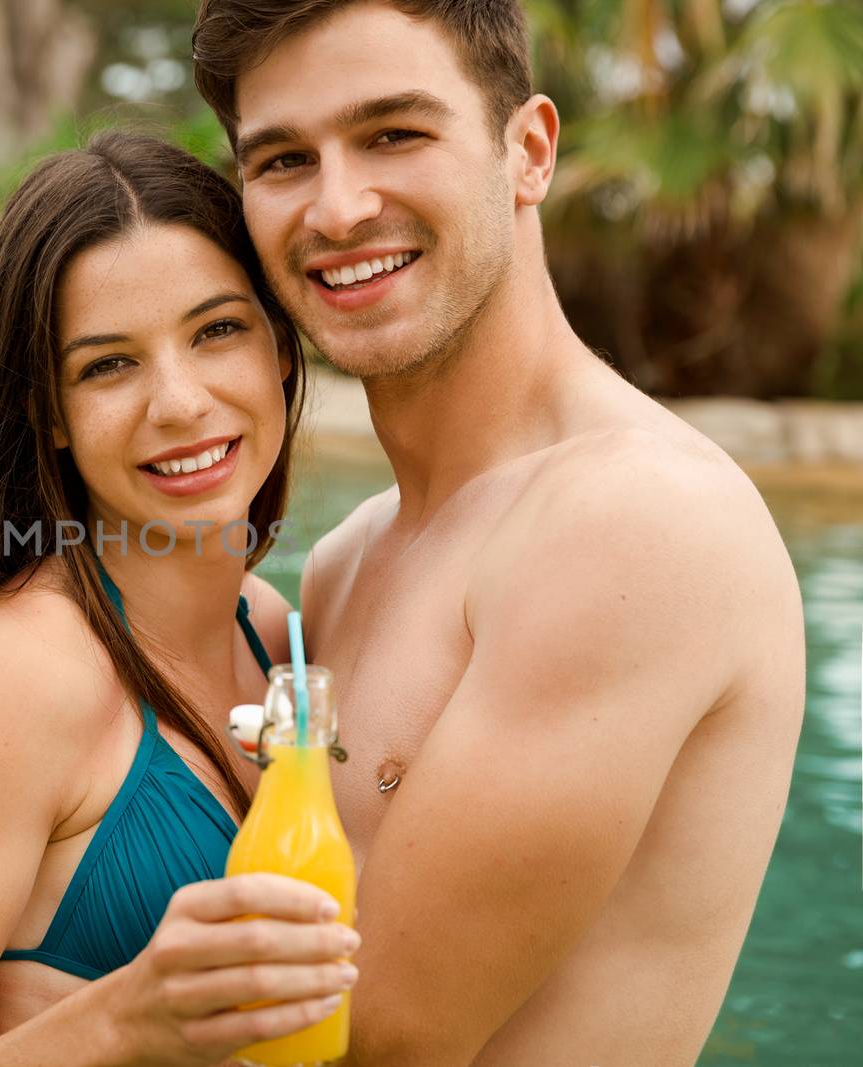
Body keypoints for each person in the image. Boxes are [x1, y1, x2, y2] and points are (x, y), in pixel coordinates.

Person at [189, 1, 807, 1064]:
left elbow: (380, 1035)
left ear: (526, 152)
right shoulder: (342, 563)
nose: (336, 208)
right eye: (284, 159)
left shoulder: (635, 518)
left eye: (393, 133)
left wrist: (36, 1008)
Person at [0, 132, 362, 1067]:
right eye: (109, 364)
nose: (181, 402)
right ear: (50, 413)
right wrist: (120, 1023)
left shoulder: (269, 631)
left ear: (279, 346)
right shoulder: (23, 678)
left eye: (217, 329)